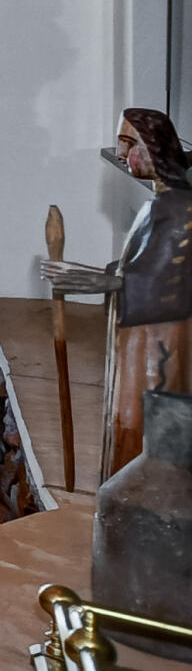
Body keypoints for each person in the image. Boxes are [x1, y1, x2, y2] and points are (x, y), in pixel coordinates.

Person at [105, 108, 192, 480]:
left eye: (130, 145)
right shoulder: (156, 206)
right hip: (139, 336)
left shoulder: (179, 211)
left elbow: (163, 281)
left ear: (155, 149)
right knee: (126, 420)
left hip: (159, 341)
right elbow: (137, 266)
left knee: (140, 423)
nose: (123, 156)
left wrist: (100, 281)